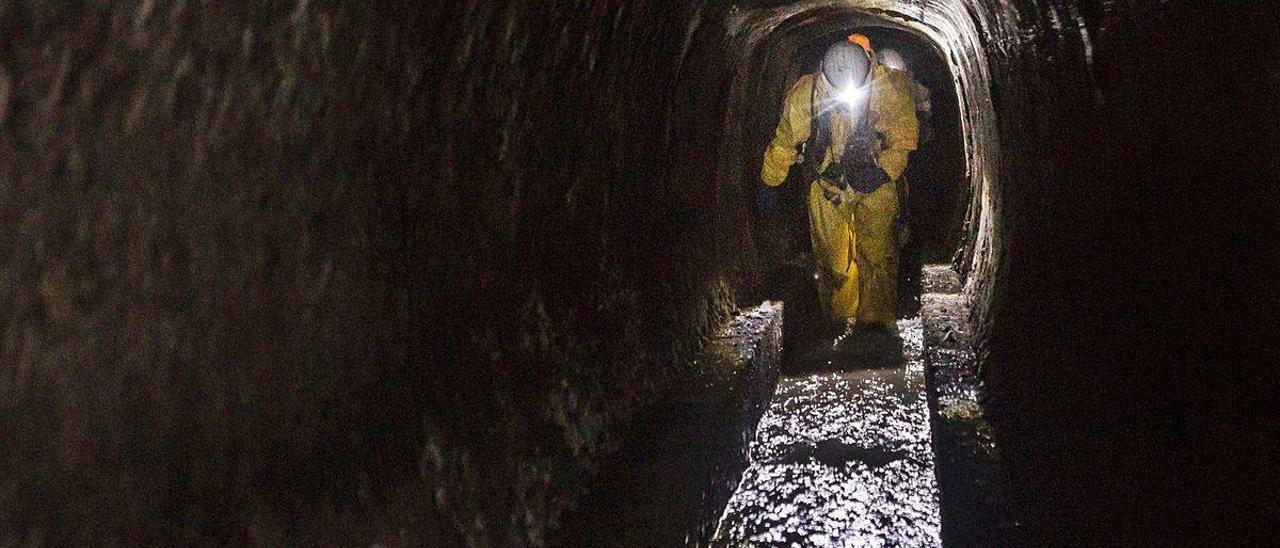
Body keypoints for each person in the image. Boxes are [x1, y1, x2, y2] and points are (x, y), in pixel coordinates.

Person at [758, 34, 918, 337]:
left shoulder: (890, 89)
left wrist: (883, 173)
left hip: (875, 183)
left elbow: (904, 140)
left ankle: (875, 324)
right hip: (828, 186)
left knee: (877, 254)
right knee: (833, 261)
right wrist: (770, 181)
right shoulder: (807, 93)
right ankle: (841, 319)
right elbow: (785, 142)